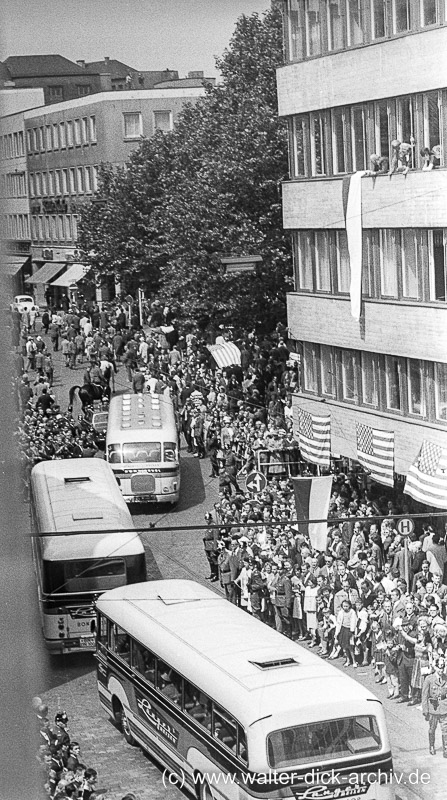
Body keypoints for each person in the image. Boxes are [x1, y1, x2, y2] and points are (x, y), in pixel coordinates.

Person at [422, 656, 447, 756]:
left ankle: (445, 748)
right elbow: (424, 695)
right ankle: (431, 746)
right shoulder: (429, 679)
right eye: (439, 667)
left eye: (442, 667)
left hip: (444, 708)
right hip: (433, 708)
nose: (440, 670)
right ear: (435, 667)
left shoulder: (446, 678)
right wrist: (425, 710)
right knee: (432, 728)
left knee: (445, 729)